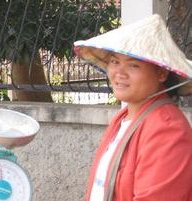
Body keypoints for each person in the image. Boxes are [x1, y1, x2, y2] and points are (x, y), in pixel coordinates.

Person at [74, 14, 192, 201]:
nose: (119, 73)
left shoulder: (167, 128)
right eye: (115, 62)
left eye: (133, 65)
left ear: (161, 73)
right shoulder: (123, 119)